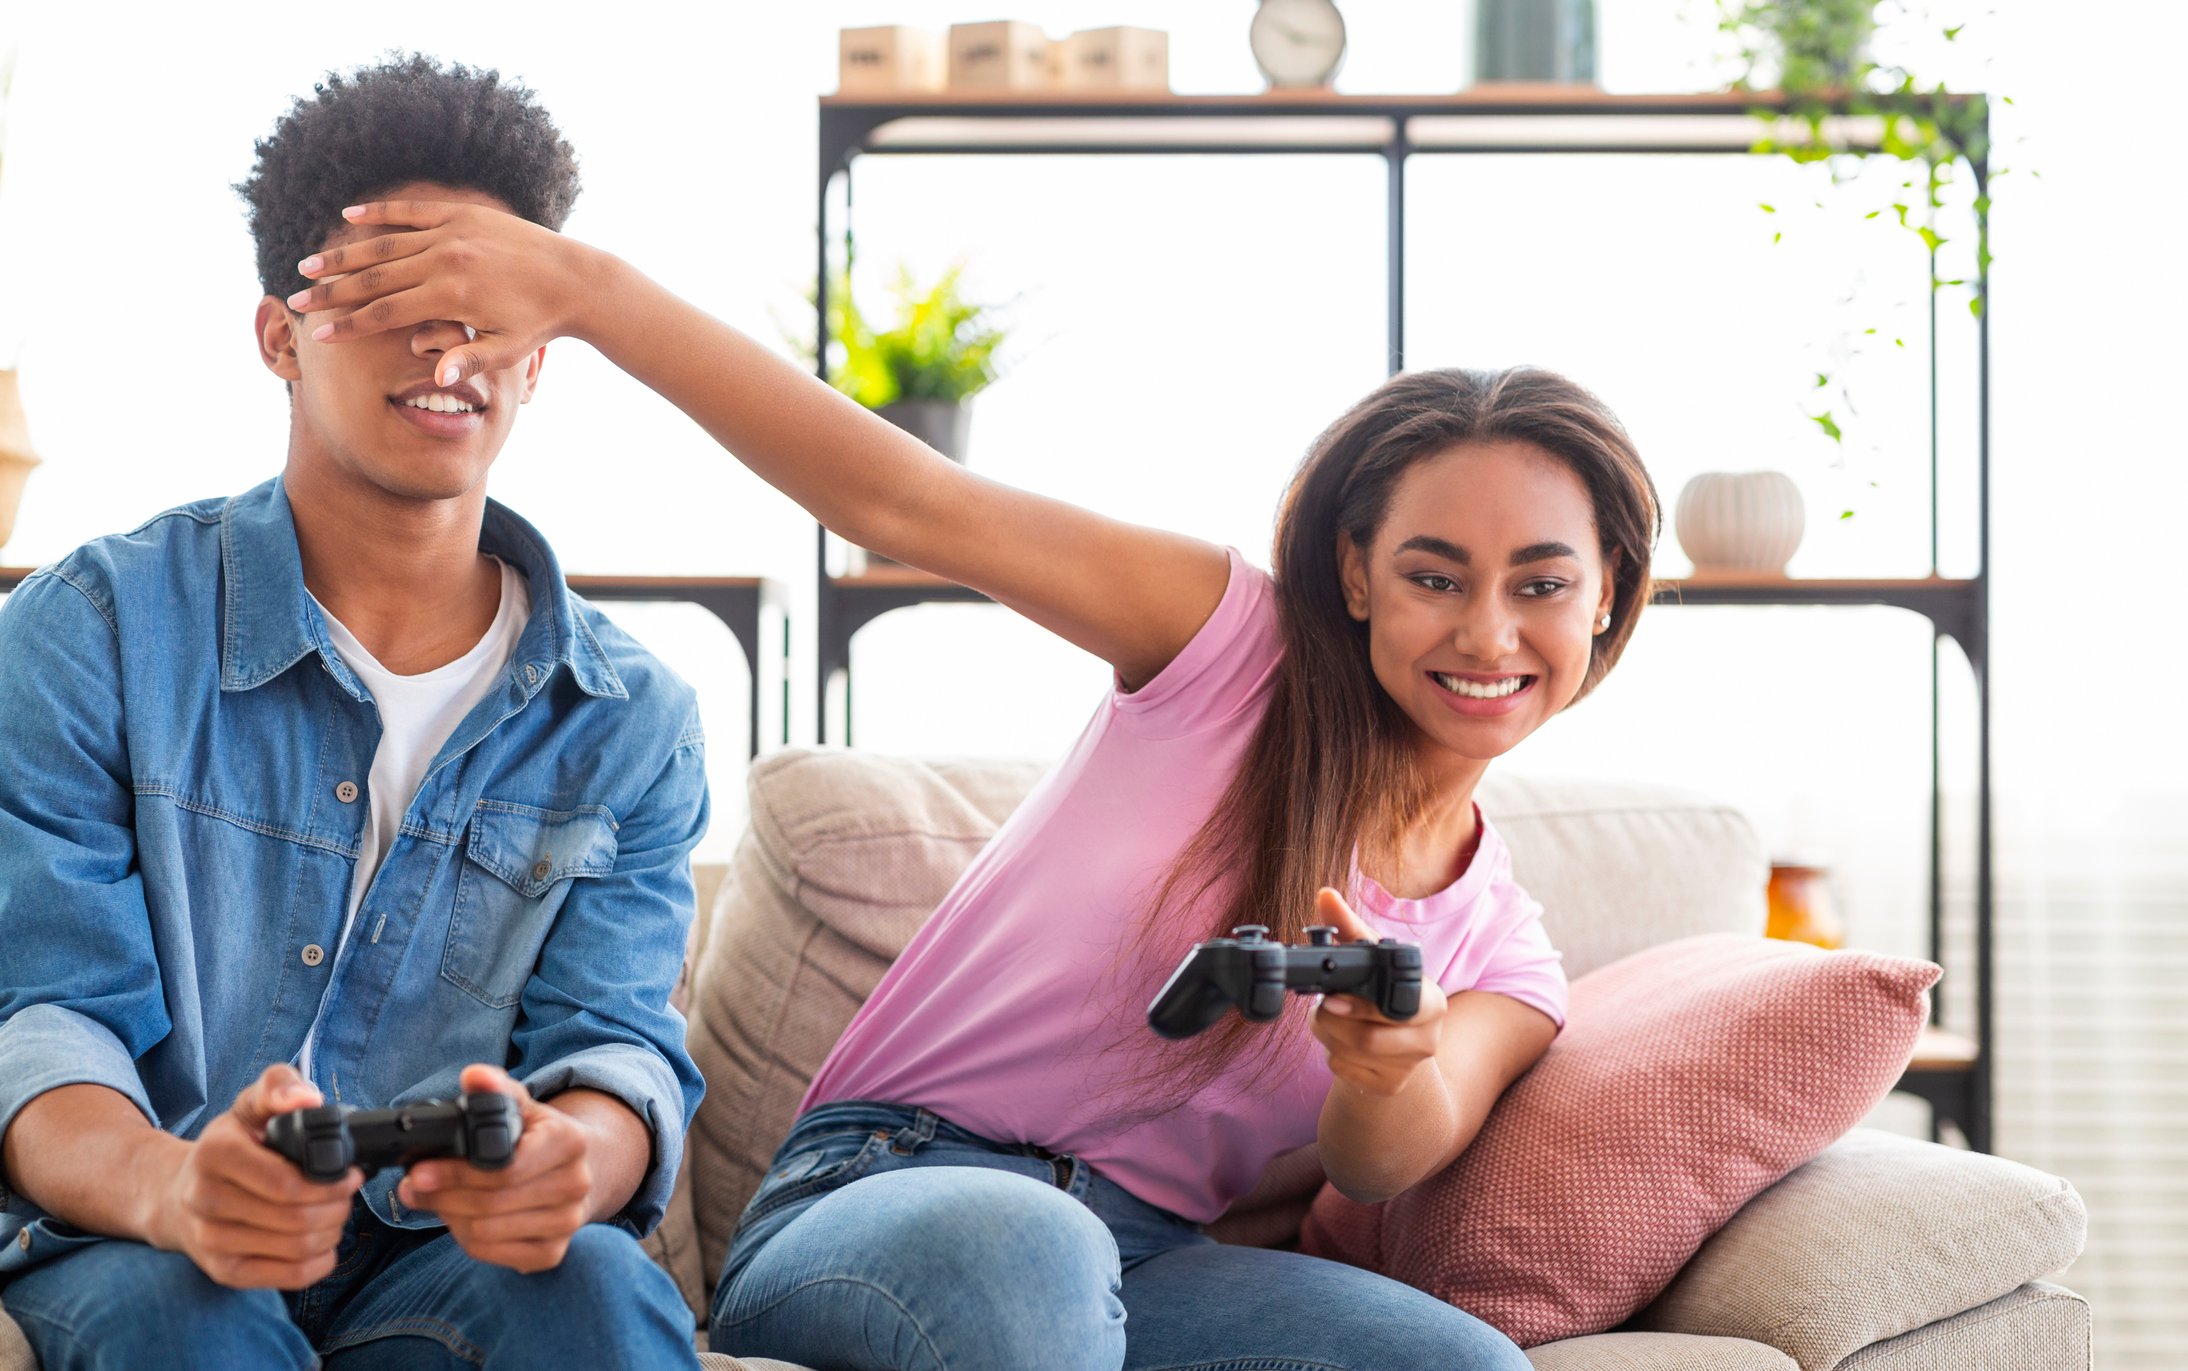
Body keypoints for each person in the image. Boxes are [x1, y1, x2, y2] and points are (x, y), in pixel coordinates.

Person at [283, 194, 1662, 1370]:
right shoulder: (1227, 648)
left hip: (1149, 1262)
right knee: (1030, 1245)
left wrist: (1382, 1066)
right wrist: (588, 291)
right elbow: (904, 503)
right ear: (1359, 574)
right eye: (1435, 576)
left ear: (1605, 604)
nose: (1488, 634)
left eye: (1541, 585)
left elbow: (1388, 1155)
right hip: (886, 1195)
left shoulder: (1504, 951)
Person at [0, 57, 706, 1371]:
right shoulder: (90, 629)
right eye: (395, 303)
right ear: (278, 336)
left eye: (489, 312)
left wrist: (578, 1159)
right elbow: (40, 1016)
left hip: (443, 1261)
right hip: (137, 1241)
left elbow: (614, 1044)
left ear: (540, 360)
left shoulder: (631, 717)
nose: (450, 352)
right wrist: (172, 1187)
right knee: (185, 1321)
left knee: (597, 1294)